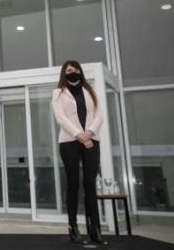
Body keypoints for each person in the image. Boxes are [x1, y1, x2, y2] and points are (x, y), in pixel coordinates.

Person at [52, 61, 107, 246]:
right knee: (73, 184)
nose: (74, 72)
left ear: (81, 73)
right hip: (69, 143)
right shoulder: (58, 93)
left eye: (76, 70)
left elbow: (99, 115)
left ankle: (95, 229)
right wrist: (79, 135)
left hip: (92, 141)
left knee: (90, 185)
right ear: (64, 73)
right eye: (70, 70)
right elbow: (61, 117)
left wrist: (89, 133)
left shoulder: (91, 92)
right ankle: (73, 228)